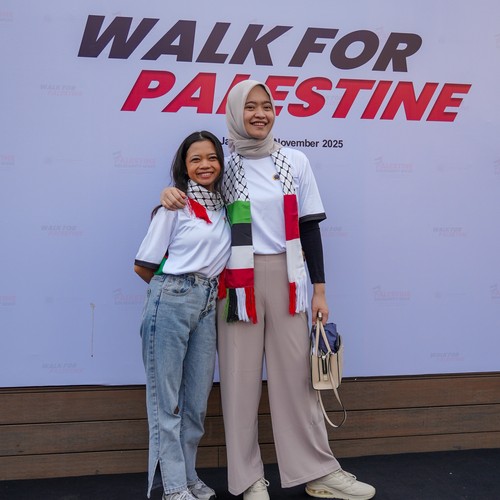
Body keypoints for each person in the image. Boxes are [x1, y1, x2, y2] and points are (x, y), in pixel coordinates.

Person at [160, 81, 376, 500]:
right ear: (235, 112)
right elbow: (194, 195)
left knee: (297, 380)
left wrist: (319, 290)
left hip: (288, 278)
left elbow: (309, 227)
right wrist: (171, 192)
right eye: (250, 106)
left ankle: (317, 471)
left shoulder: (295, 160)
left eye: (267, 106)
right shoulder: (223, 164)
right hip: (235, 282)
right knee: (239, 383)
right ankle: (248, 480)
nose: (260, 113)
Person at [134, 131, 231, 500]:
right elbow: (143, 265)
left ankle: (188, 477)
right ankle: (173, 487)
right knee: (166, 402)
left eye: (212, 157)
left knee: (196, 404)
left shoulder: (225, 208)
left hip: (208, 304)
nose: (205, 165)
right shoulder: (175, 206)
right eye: (195, 159)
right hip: (172, 298)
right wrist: (175, 292)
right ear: (184, 167)